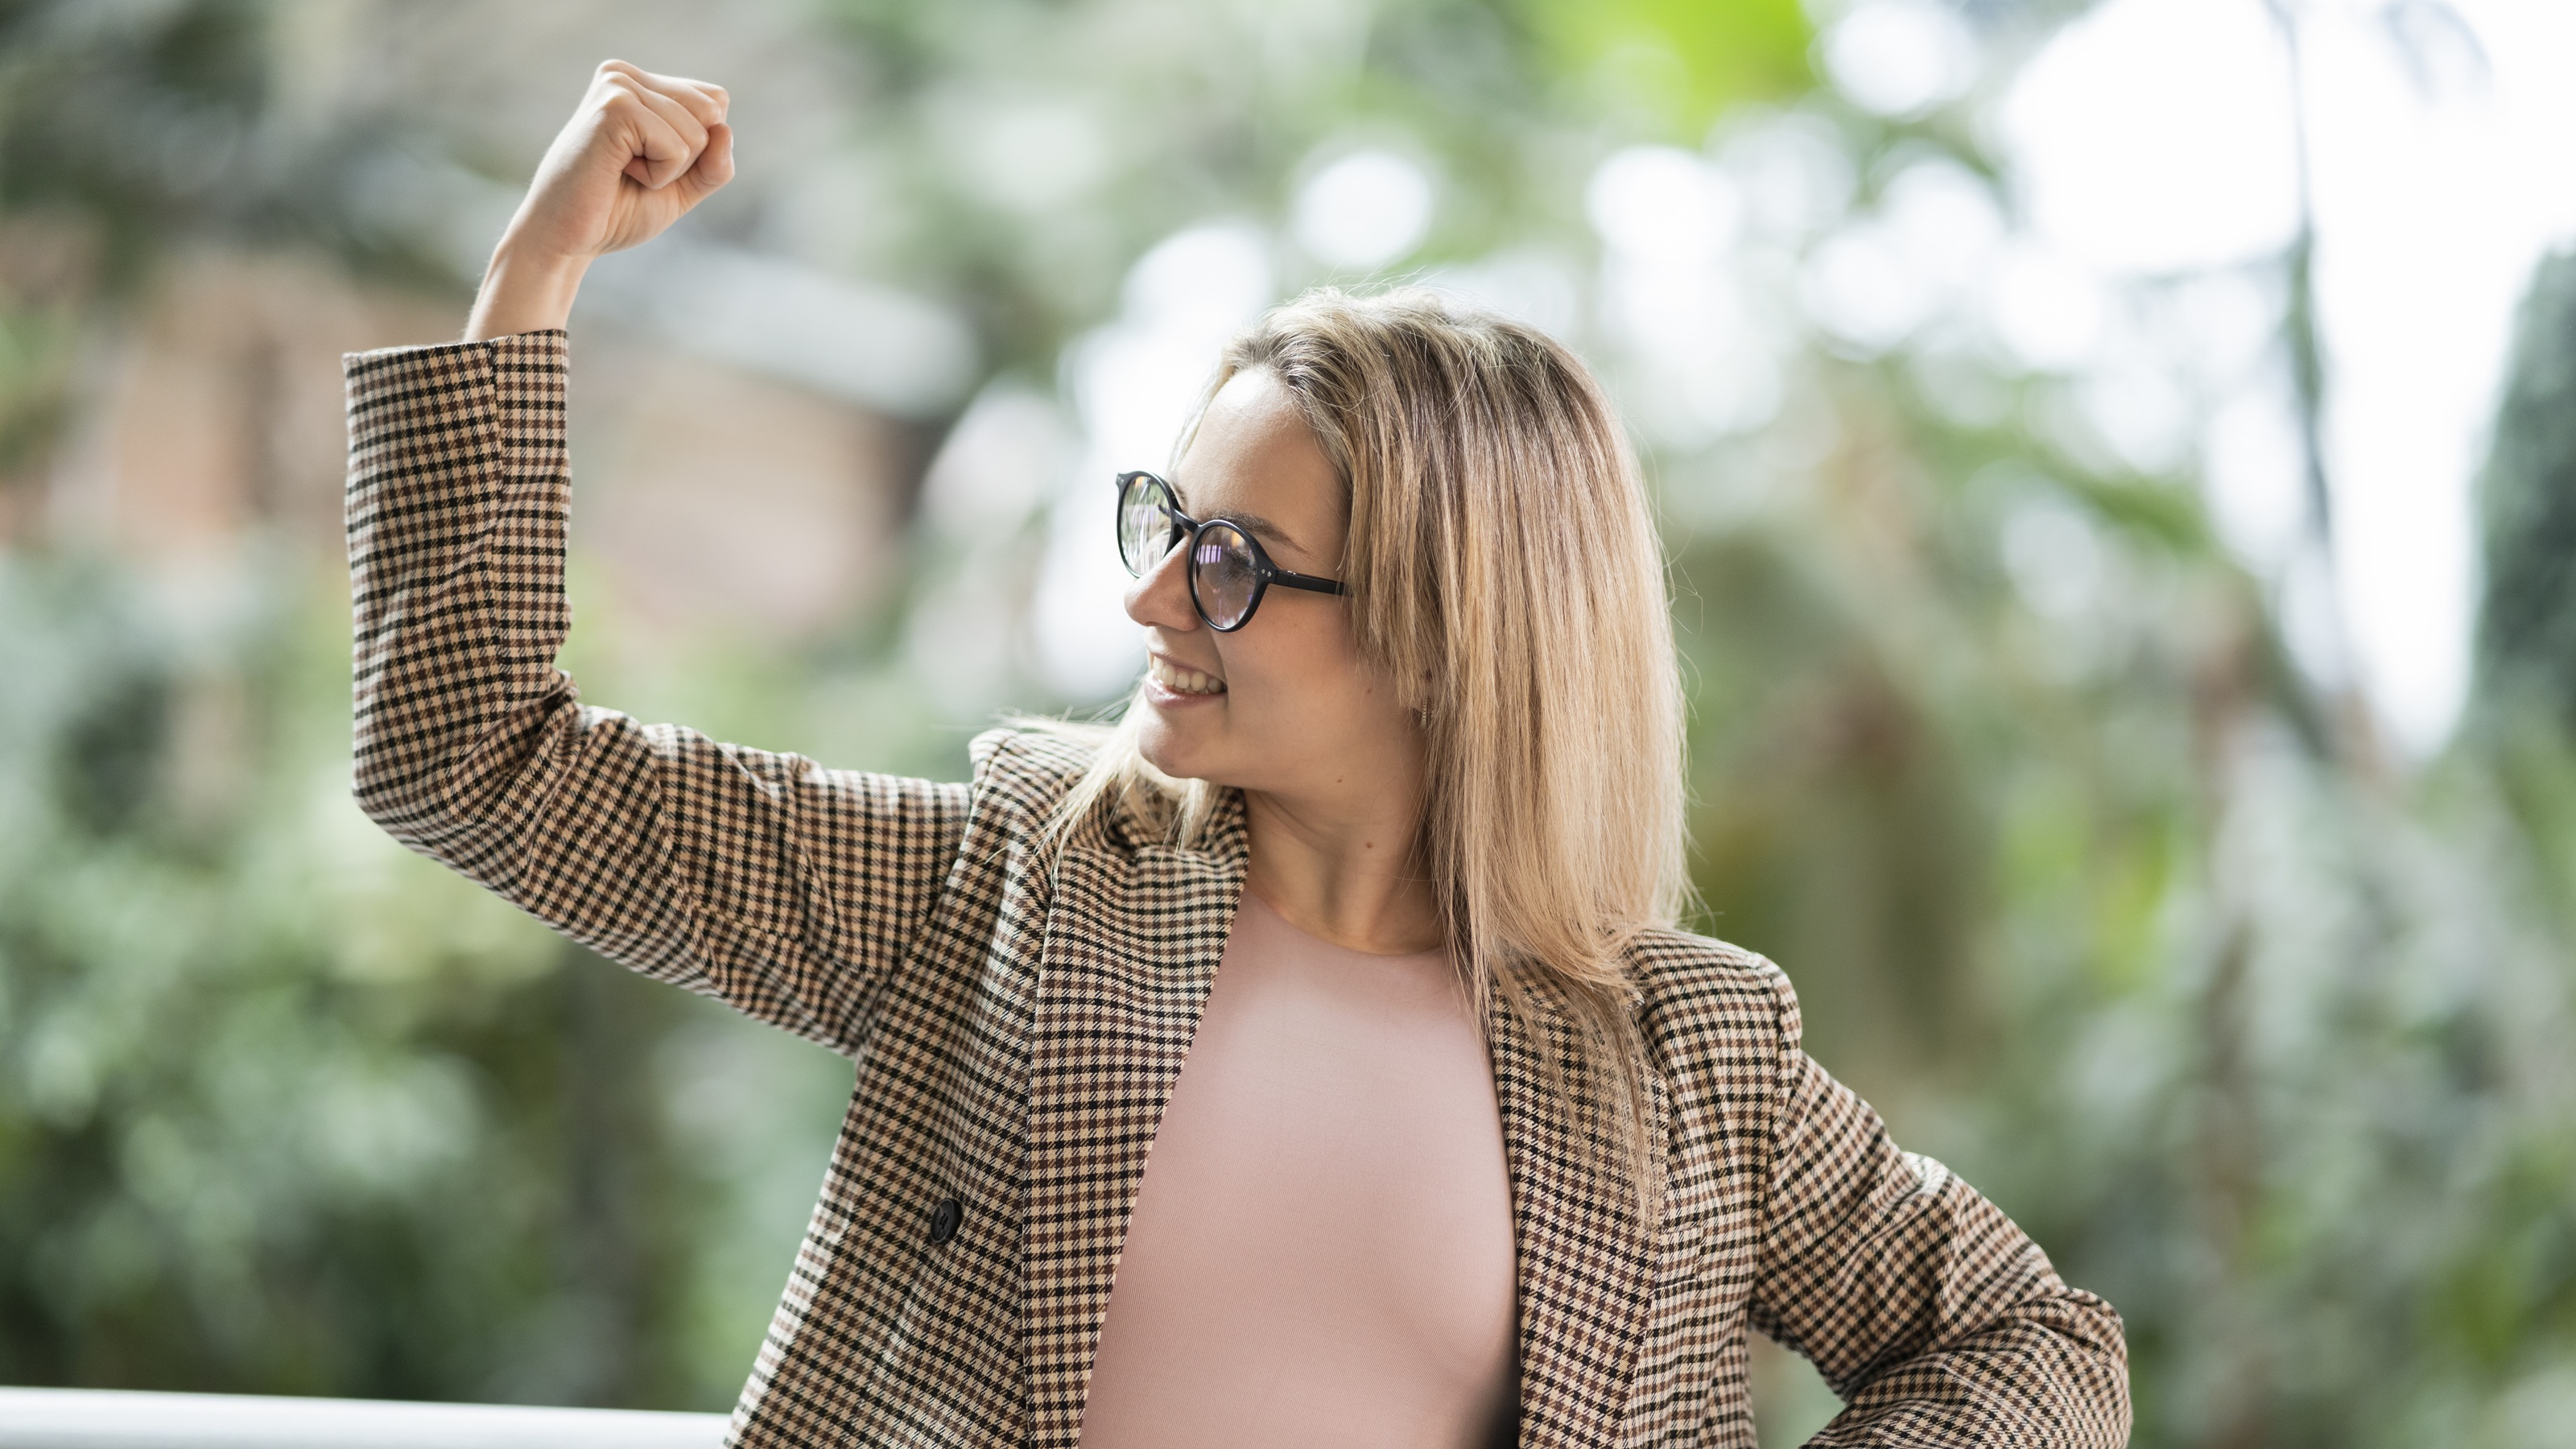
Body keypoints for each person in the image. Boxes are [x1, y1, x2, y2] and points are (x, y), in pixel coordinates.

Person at [345, 61, 2130, 1449]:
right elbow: (467, 755)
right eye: (1163, 522)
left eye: (1227, 564)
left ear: (1446, 637)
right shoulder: (1013, 882)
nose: (1146, 604)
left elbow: (2038, 1353)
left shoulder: (1688, 1061)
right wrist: (538, 269)